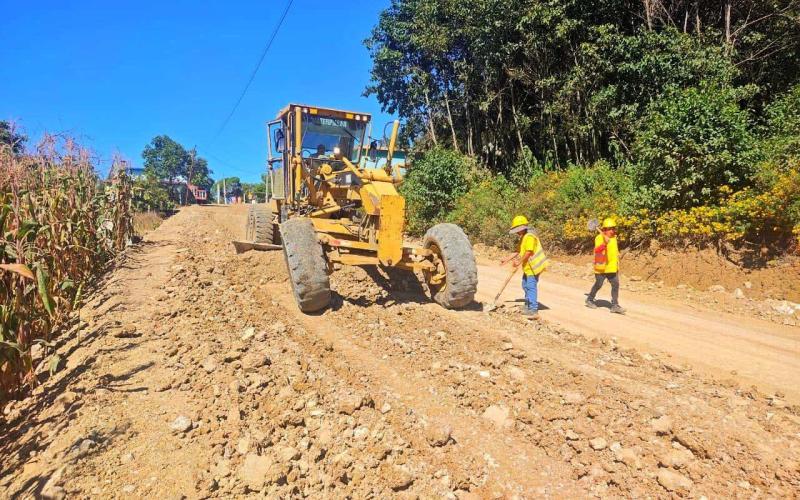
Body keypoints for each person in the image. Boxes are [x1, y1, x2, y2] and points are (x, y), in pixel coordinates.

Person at [501, 215, 549, 318]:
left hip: (534, 267)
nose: (517, 232)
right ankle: (527, 305)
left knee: (531, 286)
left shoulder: (530, 237)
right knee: (525, 285)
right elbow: (517, 251)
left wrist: (518, 262)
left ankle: (533, 309)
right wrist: (506, 259)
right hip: (528, 267)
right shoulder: (524, 237)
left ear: (522, 228)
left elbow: (528, 252)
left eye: (518, 230)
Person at [586, 218, 625, 314]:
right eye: (611, 229)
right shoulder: (599, 238)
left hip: (611, 267)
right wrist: (604, 243)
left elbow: (614, 252)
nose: (613, 231)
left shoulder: (614, 238)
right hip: (601, 268)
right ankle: (590, 299)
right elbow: (597, 250)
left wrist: (617, 265)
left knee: (615, 284)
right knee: (598, 284)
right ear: (605, 229)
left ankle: (615, 305)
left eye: (614, 228)